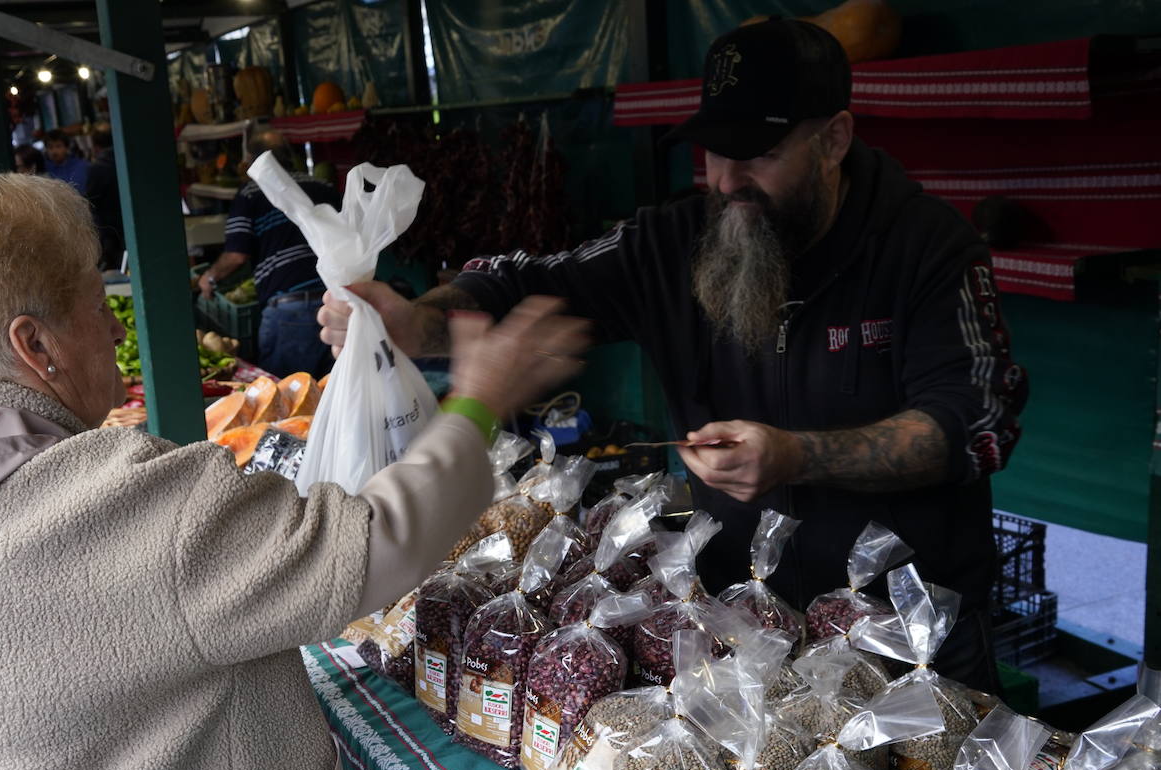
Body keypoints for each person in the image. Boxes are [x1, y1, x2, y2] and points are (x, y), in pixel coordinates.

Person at [0, 170, 587, 770]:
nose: (113, 330)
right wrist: (478, 403)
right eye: (97, 306)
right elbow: (369, 546)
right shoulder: (105, 496)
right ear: (34, 345)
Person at [320, 19, 1028, 693]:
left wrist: (798, 455)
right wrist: (418, 324)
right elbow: (528, 281)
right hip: (740, 631)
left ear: (835, 139)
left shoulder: (928, 248)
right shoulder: (673, 243)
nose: (725, 180)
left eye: (757, 153)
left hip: (909, 639)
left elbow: (974, 423)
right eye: (715, 151)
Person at [197, 128, 338, 378]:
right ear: (290, 157)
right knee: (334, 394)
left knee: (289, 401)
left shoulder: (251, 194)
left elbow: (236, 255)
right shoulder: (323, 186)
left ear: (252, 162)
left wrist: (208, 279)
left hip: (290, 313)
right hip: (336, 304)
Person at [83, 122, 124, 270]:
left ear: (95, 146)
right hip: (126, 225)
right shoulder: (125, 161)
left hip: (109, 231)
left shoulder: (97, 168)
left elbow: (91, 201)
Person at [42, 128, 88, 193]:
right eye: (50, 147)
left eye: (58, 146)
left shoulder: (81, 166)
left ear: (67, 148)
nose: (54, 151)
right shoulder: (44, 168)